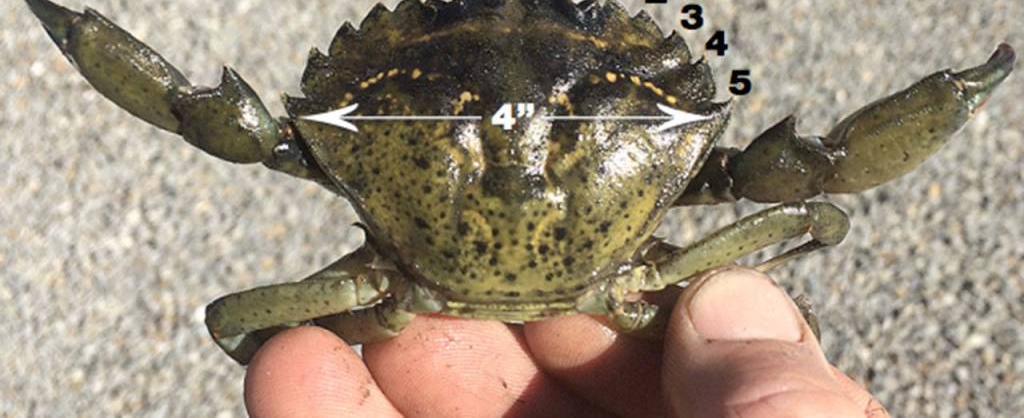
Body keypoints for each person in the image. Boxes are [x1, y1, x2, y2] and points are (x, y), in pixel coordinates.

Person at [243, 267, 887, 417]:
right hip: (626, 296)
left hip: (386, 294)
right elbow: (812, 201)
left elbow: (237, 330)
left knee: (290, 357)